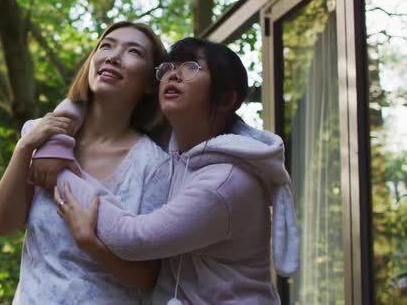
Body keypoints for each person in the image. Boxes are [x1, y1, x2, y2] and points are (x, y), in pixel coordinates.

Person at [47, 38, 299, 304]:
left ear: (225, 99)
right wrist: (52, 144)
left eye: (191, 66)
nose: (173, 74)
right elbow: (89, 100)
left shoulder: (225, 182)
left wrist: (61, 171)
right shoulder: (180, 145)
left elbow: (132, 238)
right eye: (167, 67)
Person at [0, 21, 172, 304]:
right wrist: (24, 147)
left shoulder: (154, 166)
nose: (113, 56)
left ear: (151, 83)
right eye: (106, 46)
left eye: (133, 51)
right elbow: (4, 224)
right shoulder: (43, 137)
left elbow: (149, 278)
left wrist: (91, 243)